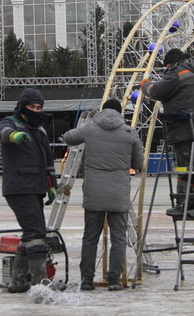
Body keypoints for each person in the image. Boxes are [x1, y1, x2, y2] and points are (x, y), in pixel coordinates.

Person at [63, 99, 144, 292]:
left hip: (94, 193)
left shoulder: (90, 128)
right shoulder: (129, 132)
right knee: (118, 238)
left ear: (102, 110)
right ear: (119, 111)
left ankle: (87, 280)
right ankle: (114, 280)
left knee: (90, 237)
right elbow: (138, 162)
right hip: (118, 193)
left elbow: (67, 137)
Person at [140, 48, 194, 219]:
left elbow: (156, 91)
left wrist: (145, 84)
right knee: (187, 168)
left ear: (170, 63)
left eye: (166, 67)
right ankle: (186, 204)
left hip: (186, 127)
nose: (166, 70)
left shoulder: (177, 72)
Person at [0, 88, 58, 293]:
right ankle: (40, 284)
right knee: (35, 233)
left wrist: (52, 185)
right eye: (32, 107)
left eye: (39, 107)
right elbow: (3, 132)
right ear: (23, 107)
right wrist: (13, 136)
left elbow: (48, 161)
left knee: (31, 233)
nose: (36, 110)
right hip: (19, 187)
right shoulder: (11, 122)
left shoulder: (39, 130)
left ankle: (18, 282)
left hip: (35, 187)